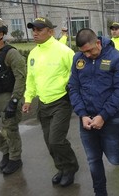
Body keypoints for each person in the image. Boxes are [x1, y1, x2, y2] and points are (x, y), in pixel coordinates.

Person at [68, 28, 119, 196]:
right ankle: (100, 192)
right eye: (84, 52)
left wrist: (103, 116)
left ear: (98, 42)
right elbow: (73, 88)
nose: (88, 55)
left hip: (111, 119)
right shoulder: (78, 59)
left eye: (90, 50)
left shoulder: (117, 58)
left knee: (113, 157)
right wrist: (82, 114)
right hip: (86, 120)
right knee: (93, 160)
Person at [22, 17, 79, 187]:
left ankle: (71, 167)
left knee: (56, 140)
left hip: (61, 101)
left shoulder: (64, 51)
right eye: (33, 30)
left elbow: (76, 75)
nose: (35, 33)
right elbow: (31, 79)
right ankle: (61, 168)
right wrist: (28, 99)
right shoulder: (33, 53)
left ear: (51, 31)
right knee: (49, 141)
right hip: (43, 103)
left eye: (39, 29)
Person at [0, 17, 26, 175]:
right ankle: (6, 150)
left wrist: (14, 101)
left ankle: (15, 158)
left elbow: (21, 77)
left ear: (0, 35)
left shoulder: (11, 53)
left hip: (7, 96)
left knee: (10, 128)